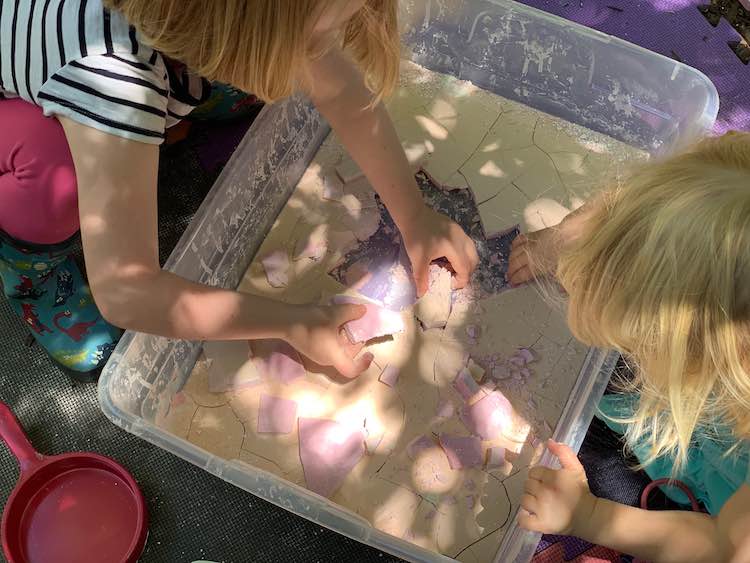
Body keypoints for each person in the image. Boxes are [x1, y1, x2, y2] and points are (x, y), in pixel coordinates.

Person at [0, 0, 479, 377]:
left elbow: (335, 86)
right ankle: (31, 277)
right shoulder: (114, 83)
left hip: (152, 56)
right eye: (319, 35)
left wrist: (413, 216)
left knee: (275, 69)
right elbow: (127, 292)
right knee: (55, 183)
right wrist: (294, 323)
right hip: (27, 117)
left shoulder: (225, 12)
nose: (329, 44)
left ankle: (172, 110)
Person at [508, 132, 750, 562]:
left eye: (640, 344)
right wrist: (571, 240)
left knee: (592, 455)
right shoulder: (732, 194)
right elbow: (668, 196)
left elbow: (718, 546)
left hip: (716, 511)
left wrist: (588, 516)